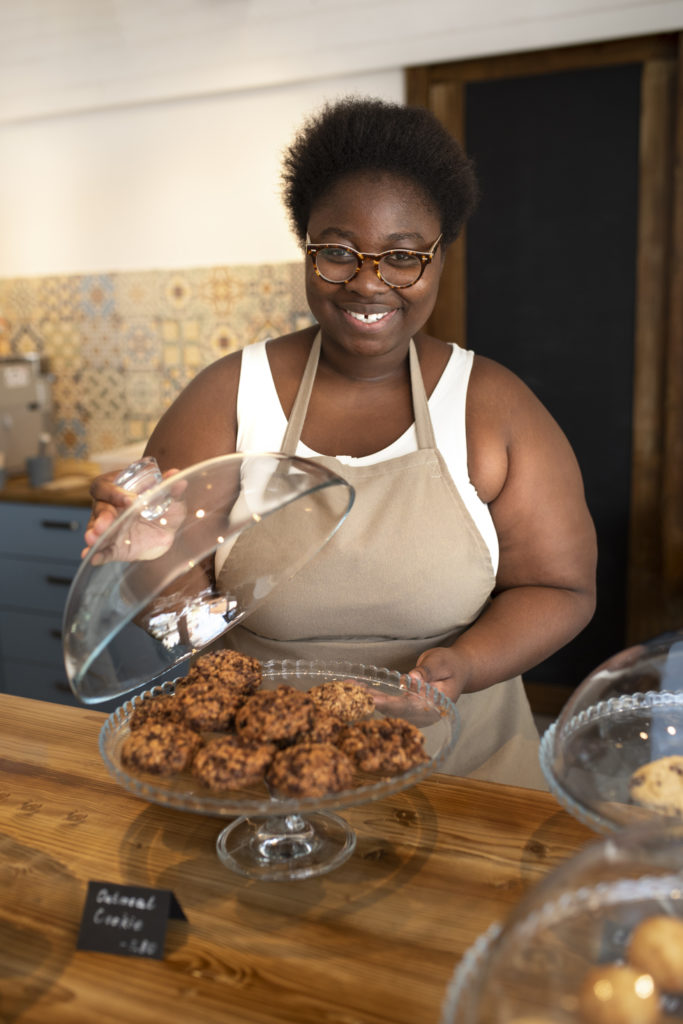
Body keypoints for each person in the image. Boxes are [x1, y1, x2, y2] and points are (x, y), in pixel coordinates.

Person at [84, 96, 597, 788]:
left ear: (438, 255)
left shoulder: (493, 406)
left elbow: (559, 586)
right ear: (306, 248)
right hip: (262, 781)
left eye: (402, 256)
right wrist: (144, 566)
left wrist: (466, 664)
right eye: (337, 252)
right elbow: (183, 627)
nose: (367, 281)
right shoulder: (226, 399)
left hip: (466, 771)